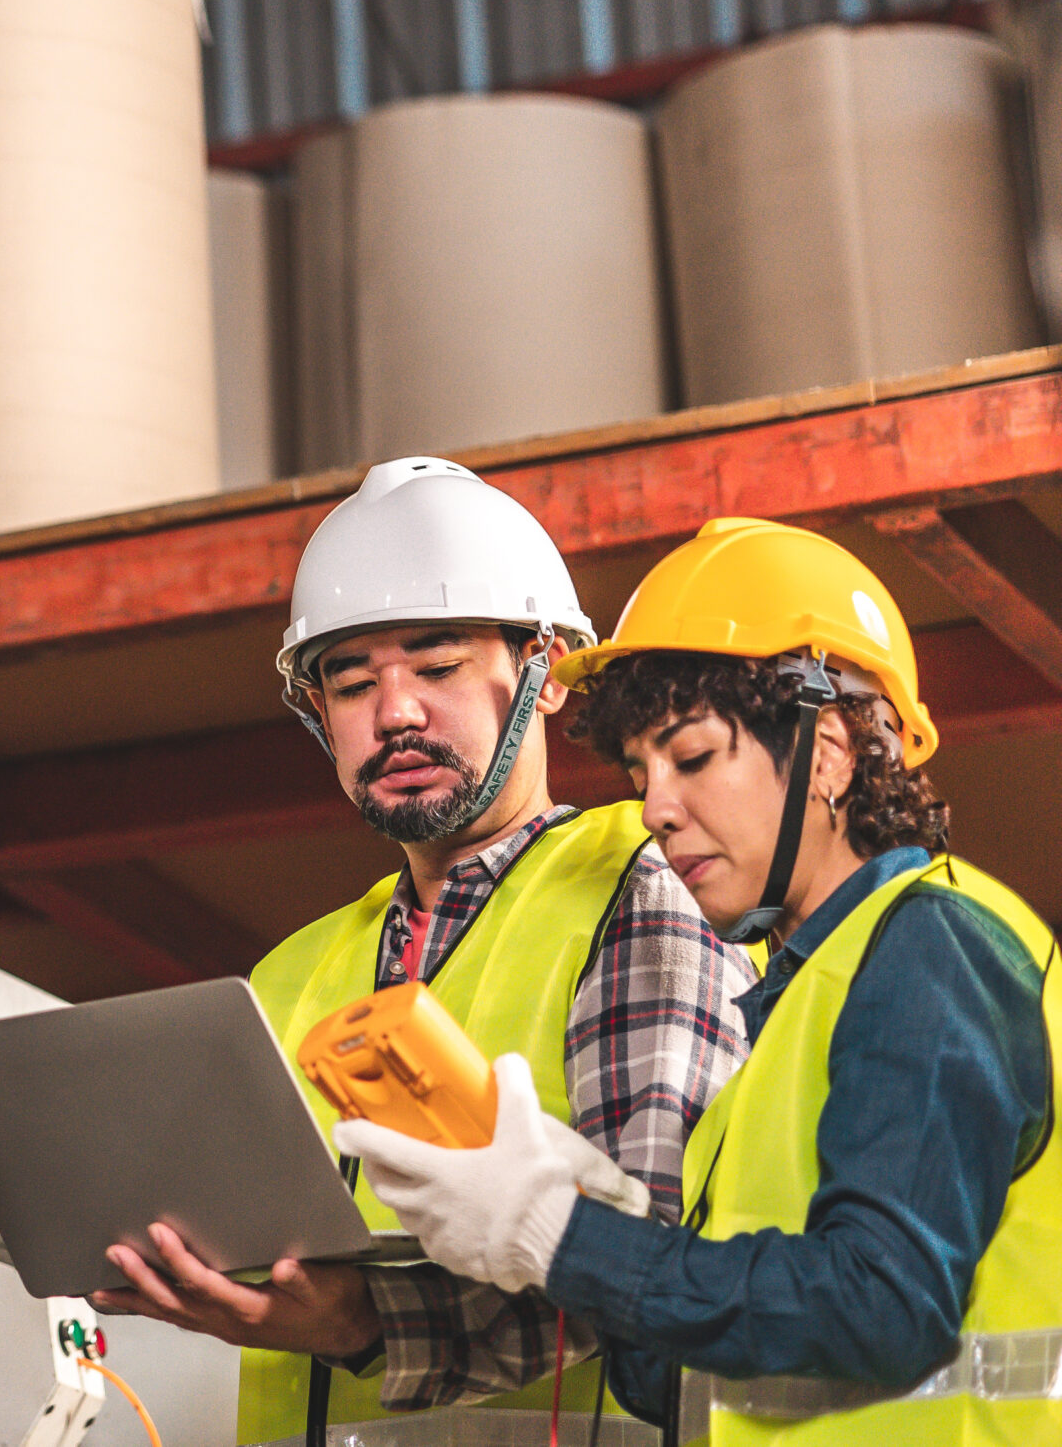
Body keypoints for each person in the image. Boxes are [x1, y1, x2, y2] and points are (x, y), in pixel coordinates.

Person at [341, 518, 1060, 1443]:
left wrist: (561, 1231)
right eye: (641, 769)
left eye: (691, 757)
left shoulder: (932, 946)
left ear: (830, 748)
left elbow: (881, 1307)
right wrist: (598, 1232)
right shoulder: (793, 1007)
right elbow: (690, 1381)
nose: (655, 808)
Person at [95, 458, 757, 1445]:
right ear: (315, 713)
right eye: (351, 681)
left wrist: (366, 1324)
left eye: (437, 667)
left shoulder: (641, 884)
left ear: (542, 675)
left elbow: (643, 1270)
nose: (393, 710)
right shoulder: (286, 977)